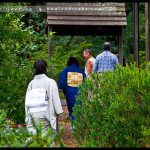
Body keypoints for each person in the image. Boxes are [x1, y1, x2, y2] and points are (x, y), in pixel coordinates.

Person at [25, 59, 63, 136]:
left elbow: (27, 103)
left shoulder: (31, 84)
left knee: (34, 140)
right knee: (47, 140)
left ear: (34, 69)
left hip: (33, 117)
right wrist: (57, 114)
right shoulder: (51, 82)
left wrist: (27, 117)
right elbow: (56, 101)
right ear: (46, 68)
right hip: (46, 116)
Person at [59, 56, 86, 124]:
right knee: (78, 108)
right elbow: (85, 84)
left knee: (72, 109)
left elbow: (62, 83)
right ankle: (79, 126)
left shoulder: (66, 70)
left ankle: (74, 126)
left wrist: (66, 89)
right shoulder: (81, 71)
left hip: (69, 91)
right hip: (80, 92)